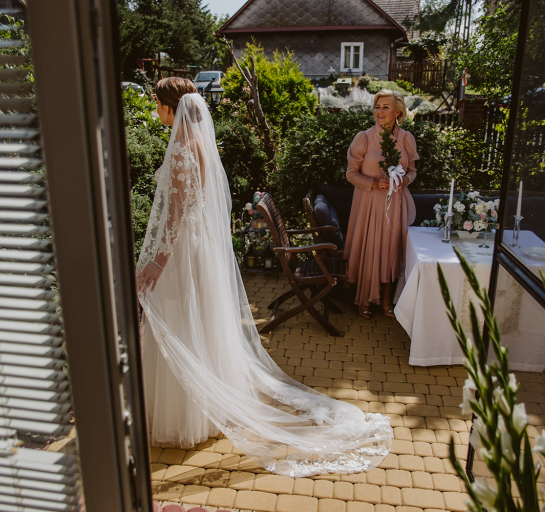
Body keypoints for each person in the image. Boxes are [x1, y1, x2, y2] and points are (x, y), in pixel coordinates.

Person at [135, 77, 393, 477]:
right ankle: (201, 410)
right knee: (197, 320)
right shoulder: (201, 144)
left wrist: (158, 260)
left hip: (182, 249)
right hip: (198, 246)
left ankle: (183, 415)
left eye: (157, 103)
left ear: (171, 107)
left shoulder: (184, 149)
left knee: (182, 319)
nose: (156, 110)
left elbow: (175, 214)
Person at [344, 90, 419, 319]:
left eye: (386, 107)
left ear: (397, 112)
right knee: (371, 248)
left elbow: (413, 171)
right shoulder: (364, 138)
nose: (379, 111)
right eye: (377, 107)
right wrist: (374, 183)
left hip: (396, 204)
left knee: (391, 250)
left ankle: (387, 297)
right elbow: (350, 173)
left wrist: (405, 180)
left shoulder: (405, 138)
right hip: (369, 203)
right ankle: (364, 298)